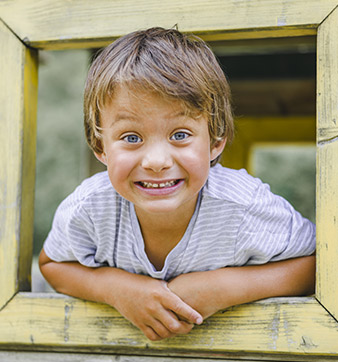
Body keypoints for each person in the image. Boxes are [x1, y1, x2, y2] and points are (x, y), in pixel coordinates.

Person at [39, 27, 316, 342]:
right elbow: (52, 264)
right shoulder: (88, 208)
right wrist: (117, 290)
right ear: (99, 146)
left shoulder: (244, 206)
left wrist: (224, 288)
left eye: (180, 134)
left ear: (215, 141)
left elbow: (317, 264)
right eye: (131, 137)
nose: (156, 161)